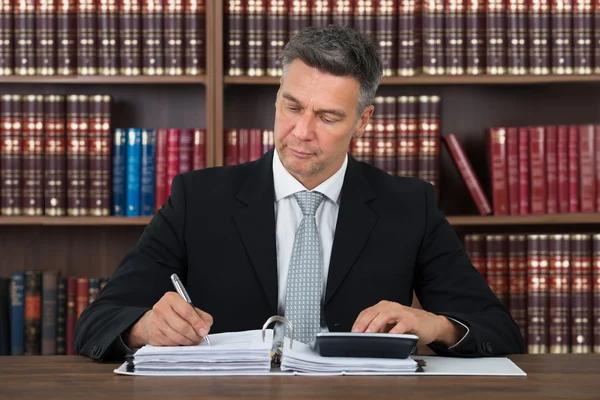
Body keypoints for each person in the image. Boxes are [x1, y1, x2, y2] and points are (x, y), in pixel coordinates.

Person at [75, 25, 525, 362]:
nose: (301, 133)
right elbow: (97, 321)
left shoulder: (410, 205)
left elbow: (499, 331)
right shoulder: (198, 198)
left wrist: (437, 325)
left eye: (328, 117)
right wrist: (143, 327)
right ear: (277, 99)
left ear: (362, 121)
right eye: (292, 107)